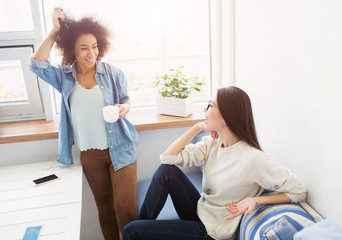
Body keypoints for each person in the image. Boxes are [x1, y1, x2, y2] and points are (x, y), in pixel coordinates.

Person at [122, 86, 307, 240]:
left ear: (226, 117)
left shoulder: (253, 158)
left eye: (210, 105)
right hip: (201, 212)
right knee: (165, 171)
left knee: (131, 231)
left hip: (213, 232)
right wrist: (196, 128)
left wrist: (255, 200)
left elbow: (298, 191)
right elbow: (167, 158)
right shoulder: (213, 144)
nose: (205, 110)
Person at [29, 8, 139, 240]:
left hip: (121, 148)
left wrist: (124, 109)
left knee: (126, 213)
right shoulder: (64, 77)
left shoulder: (113, 73)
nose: (92, 52)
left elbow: (126, 100)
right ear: (72, 50)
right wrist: (54, 32)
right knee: (106, 211)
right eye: (84, 47)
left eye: (95, 45)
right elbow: (36, 65)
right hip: (90, 153)